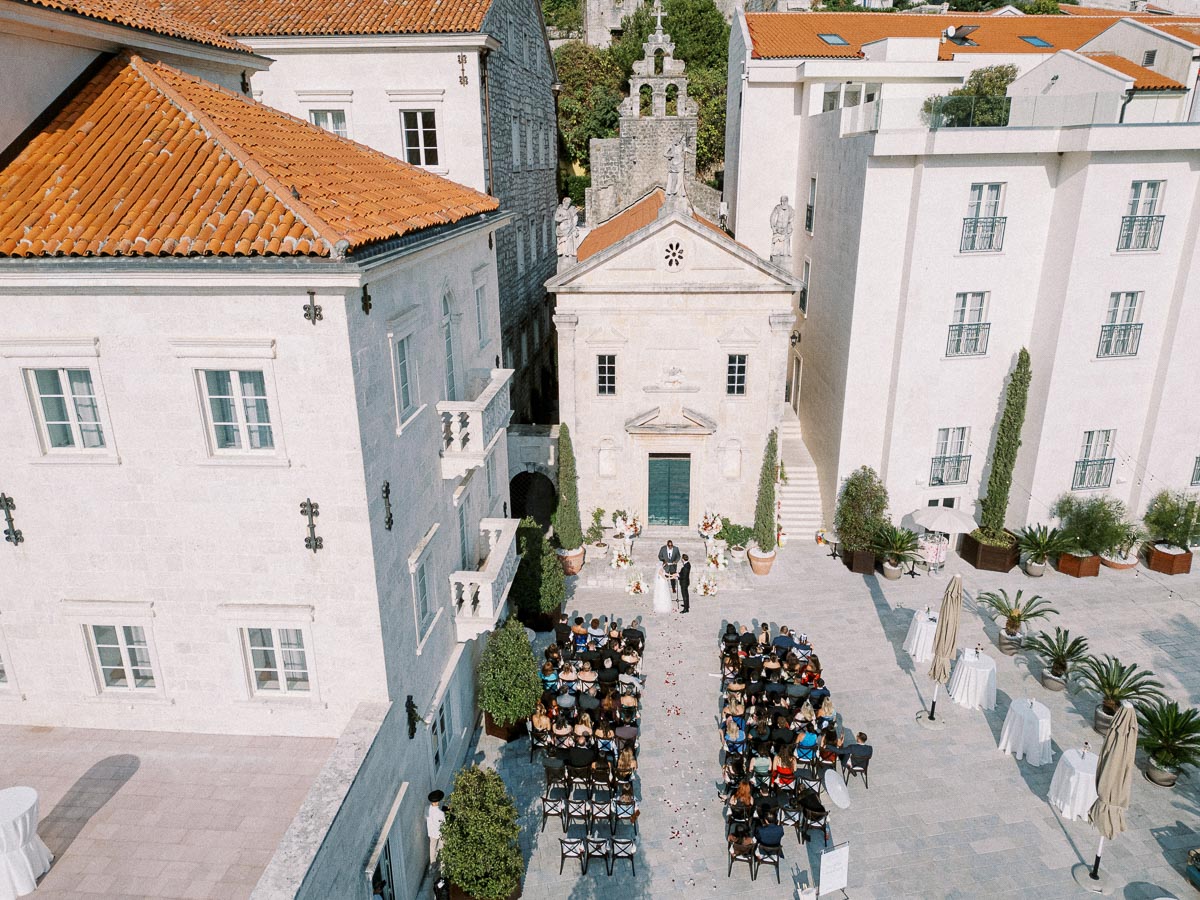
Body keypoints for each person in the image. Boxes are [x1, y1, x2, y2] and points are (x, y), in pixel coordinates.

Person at [426, 790, 445, 869]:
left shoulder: (427, 808)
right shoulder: (440, 813)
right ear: (437, 802)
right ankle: (442, 864)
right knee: (442, 847)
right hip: (439, 833)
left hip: (431, 832)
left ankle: (433, 863)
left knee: (432, 847)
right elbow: (443, 825)